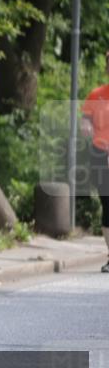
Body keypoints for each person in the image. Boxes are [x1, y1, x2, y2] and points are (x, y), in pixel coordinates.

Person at [80, 50, 109, 273]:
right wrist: (86, 126)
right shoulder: (96, 95)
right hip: (100, 153)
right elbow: (85, 120)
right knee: (107, 204)